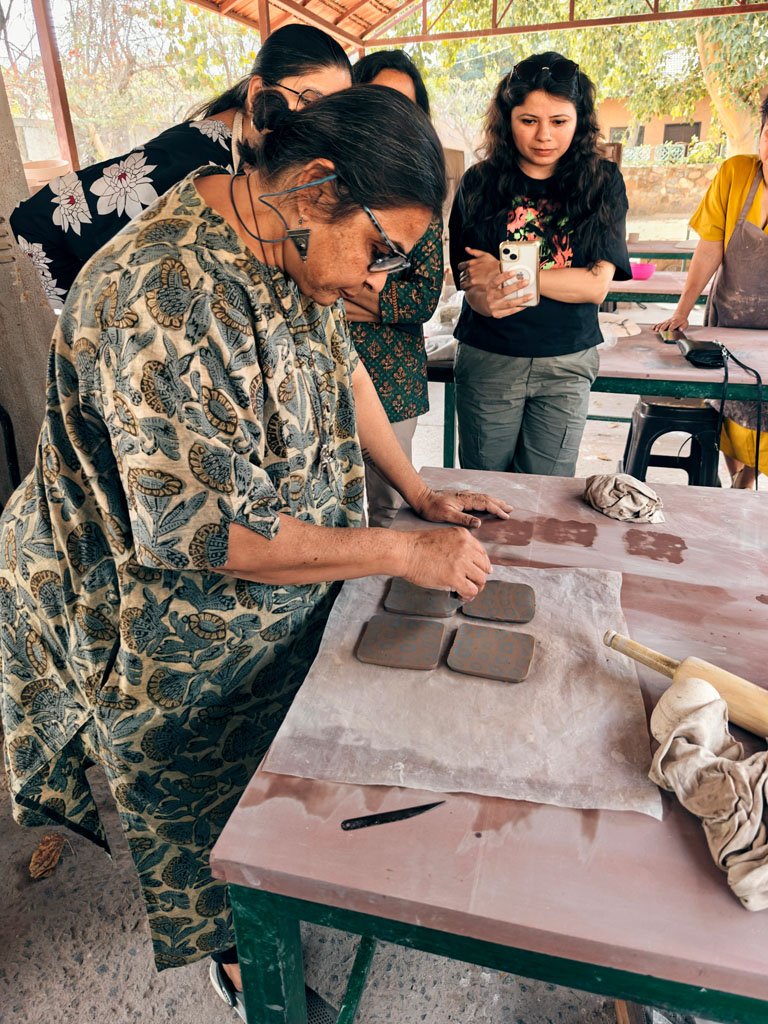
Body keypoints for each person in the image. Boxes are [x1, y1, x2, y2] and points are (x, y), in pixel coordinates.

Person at [0, 85, 511, 1020]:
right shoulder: (159, 296)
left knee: (282, 776)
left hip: (270, 575)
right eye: (381, 250)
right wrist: (401, 555)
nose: (380, 281)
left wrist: (417, 491)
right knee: (207, 800)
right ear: (316, 185)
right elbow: (210, 533)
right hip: (159, 612)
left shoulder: (283, 236)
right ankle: (245, 971)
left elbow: (341, 367)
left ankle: (281, 897)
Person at [11, 23, 352, 304]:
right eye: (310, 102)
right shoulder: (188, 159)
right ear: (256, 93)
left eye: (336, 114)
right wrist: (91, 314)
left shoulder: (266, 162)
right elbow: (36, 223)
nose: (323, 126)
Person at [449, 52, 631, 476]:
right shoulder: (479, 182)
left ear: (580, 120)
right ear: (507, 119)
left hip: (567, 362)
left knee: (547, 494)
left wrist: (505, 272)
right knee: (484, 486)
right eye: (528, 120)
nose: (544, 136)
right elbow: (472, 282)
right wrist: (484, 294)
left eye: (559, 121)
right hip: (490, 357)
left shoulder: (602, 181)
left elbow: (595, 286)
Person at [347, 51, 443, 525]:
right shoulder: (329, 184)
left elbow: (422, 298)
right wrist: (381, 304)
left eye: (405, 105)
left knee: (391, 509)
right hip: (328, 373)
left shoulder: (422, 194)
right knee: (331, 509)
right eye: (379, 100)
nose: (393, 118)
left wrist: (349, 299)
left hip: (393, 379)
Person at [656, 96, 768, 489]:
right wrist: (683, 310)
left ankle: (746, 484)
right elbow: (709, 249)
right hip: (728, 321)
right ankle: (740, 483)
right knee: (729, 412)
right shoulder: (736, 173)